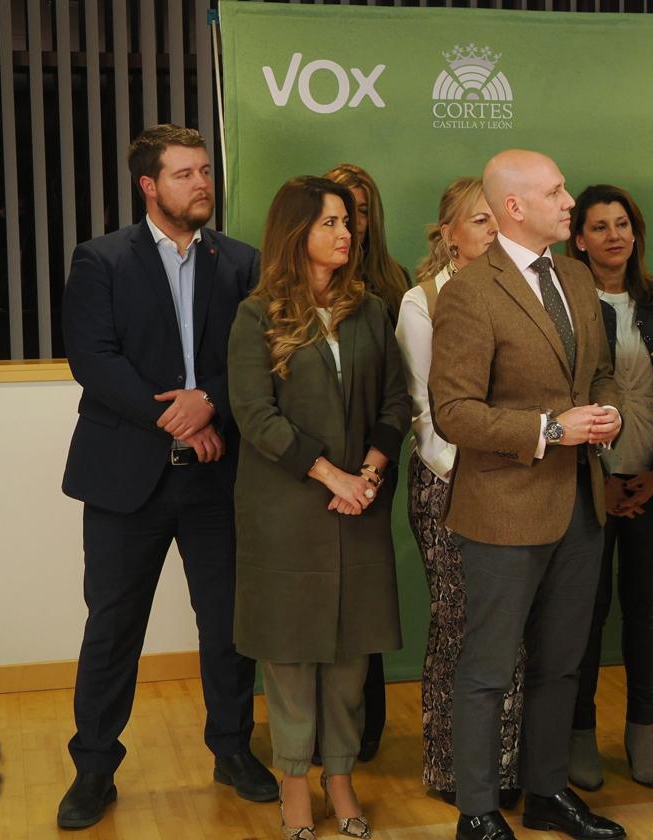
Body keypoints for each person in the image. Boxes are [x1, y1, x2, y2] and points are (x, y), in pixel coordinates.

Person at [57, 124, 275, 830]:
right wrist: (177, 418)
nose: (202, 183)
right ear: (149, 186)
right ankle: (93, 768)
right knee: (113, 629)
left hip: (217, 479)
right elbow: (94, 359)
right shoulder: (102, 260)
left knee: (228, 629)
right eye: (184, 174)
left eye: (206, 170)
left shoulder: (241, 263)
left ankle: (233, 751)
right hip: (127, 480)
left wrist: (207, 399)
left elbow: (260, 357)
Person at [429, 149, 626, 840]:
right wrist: (549, 428)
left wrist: (607, 414)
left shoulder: (574, 277)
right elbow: (454, 411)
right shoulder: (468, 292)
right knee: (487, 669)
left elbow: (597, 374)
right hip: (504, 508)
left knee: (563, 663)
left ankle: (546, 794)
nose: (569, 200)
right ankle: (478, 813)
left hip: (580, 503)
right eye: (556, 191)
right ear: (515, 206)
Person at [227, 176, 411, 839]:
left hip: (357, 507)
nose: (345, 233)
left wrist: (369, 471)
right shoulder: (257, 314)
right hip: (288, 513)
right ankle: (295, 784)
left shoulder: (369, 311)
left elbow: (396, 401)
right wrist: (331, 475)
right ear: (294, 232)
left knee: (348, 657)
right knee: (292, 653)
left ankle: (341, 777)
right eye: (330, 222)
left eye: (348, 223)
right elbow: (255, 414)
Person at [396, 177, 526, 807]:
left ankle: (508, 766)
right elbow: (427, 414)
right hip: (450, 482)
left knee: (512, 628)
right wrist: (481, 467)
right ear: (447, 234)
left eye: (499, 219)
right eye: (479, 221)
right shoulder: (422, 302)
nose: (493, 232)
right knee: (460, 625)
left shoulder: (526, 290)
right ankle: (454, 770)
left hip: (520, 481)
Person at [564, 184, 653, 791]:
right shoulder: (565, 301)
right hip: (589, 481)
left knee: (645, 606)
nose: (615, 235)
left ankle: (640, 730)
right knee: (586, 611)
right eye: (600, 226)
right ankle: (579, 733)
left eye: (623, 224)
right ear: (578, 239)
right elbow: (564, 395)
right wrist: (601, 479)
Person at [321, 162, 411, 765]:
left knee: (366, 592)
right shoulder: (293, 289)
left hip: (375, 454)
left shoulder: (392, 282)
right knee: (315, 590)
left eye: (359, 207)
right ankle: (317, 729)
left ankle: (365, 723)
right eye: (337, 210)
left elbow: (400, 389)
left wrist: (372, 466)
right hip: (314, 462)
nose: (351, 220)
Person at [324, 163, 412, 324]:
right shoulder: (315, 279)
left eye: (363, 211)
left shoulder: (396, 278)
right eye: (346, 211)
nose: (355, 221)